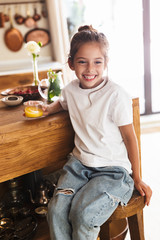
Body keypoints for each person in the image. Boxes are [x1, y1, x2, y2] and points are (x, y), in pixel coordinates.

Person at [42, 25, 152, 240]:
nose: (90, 69)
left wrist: (137, 177)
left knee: (83, 215)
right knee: (55, 211)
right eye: (82, 61)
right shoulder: (71, 90)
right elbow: (63, 102)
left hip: (112, 171)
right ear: (71, 64)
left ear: (106, 63)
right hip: (78, 166)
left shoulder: (116, 95)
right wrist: (48, 109)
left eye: (97, 62)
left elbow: (130, 139)